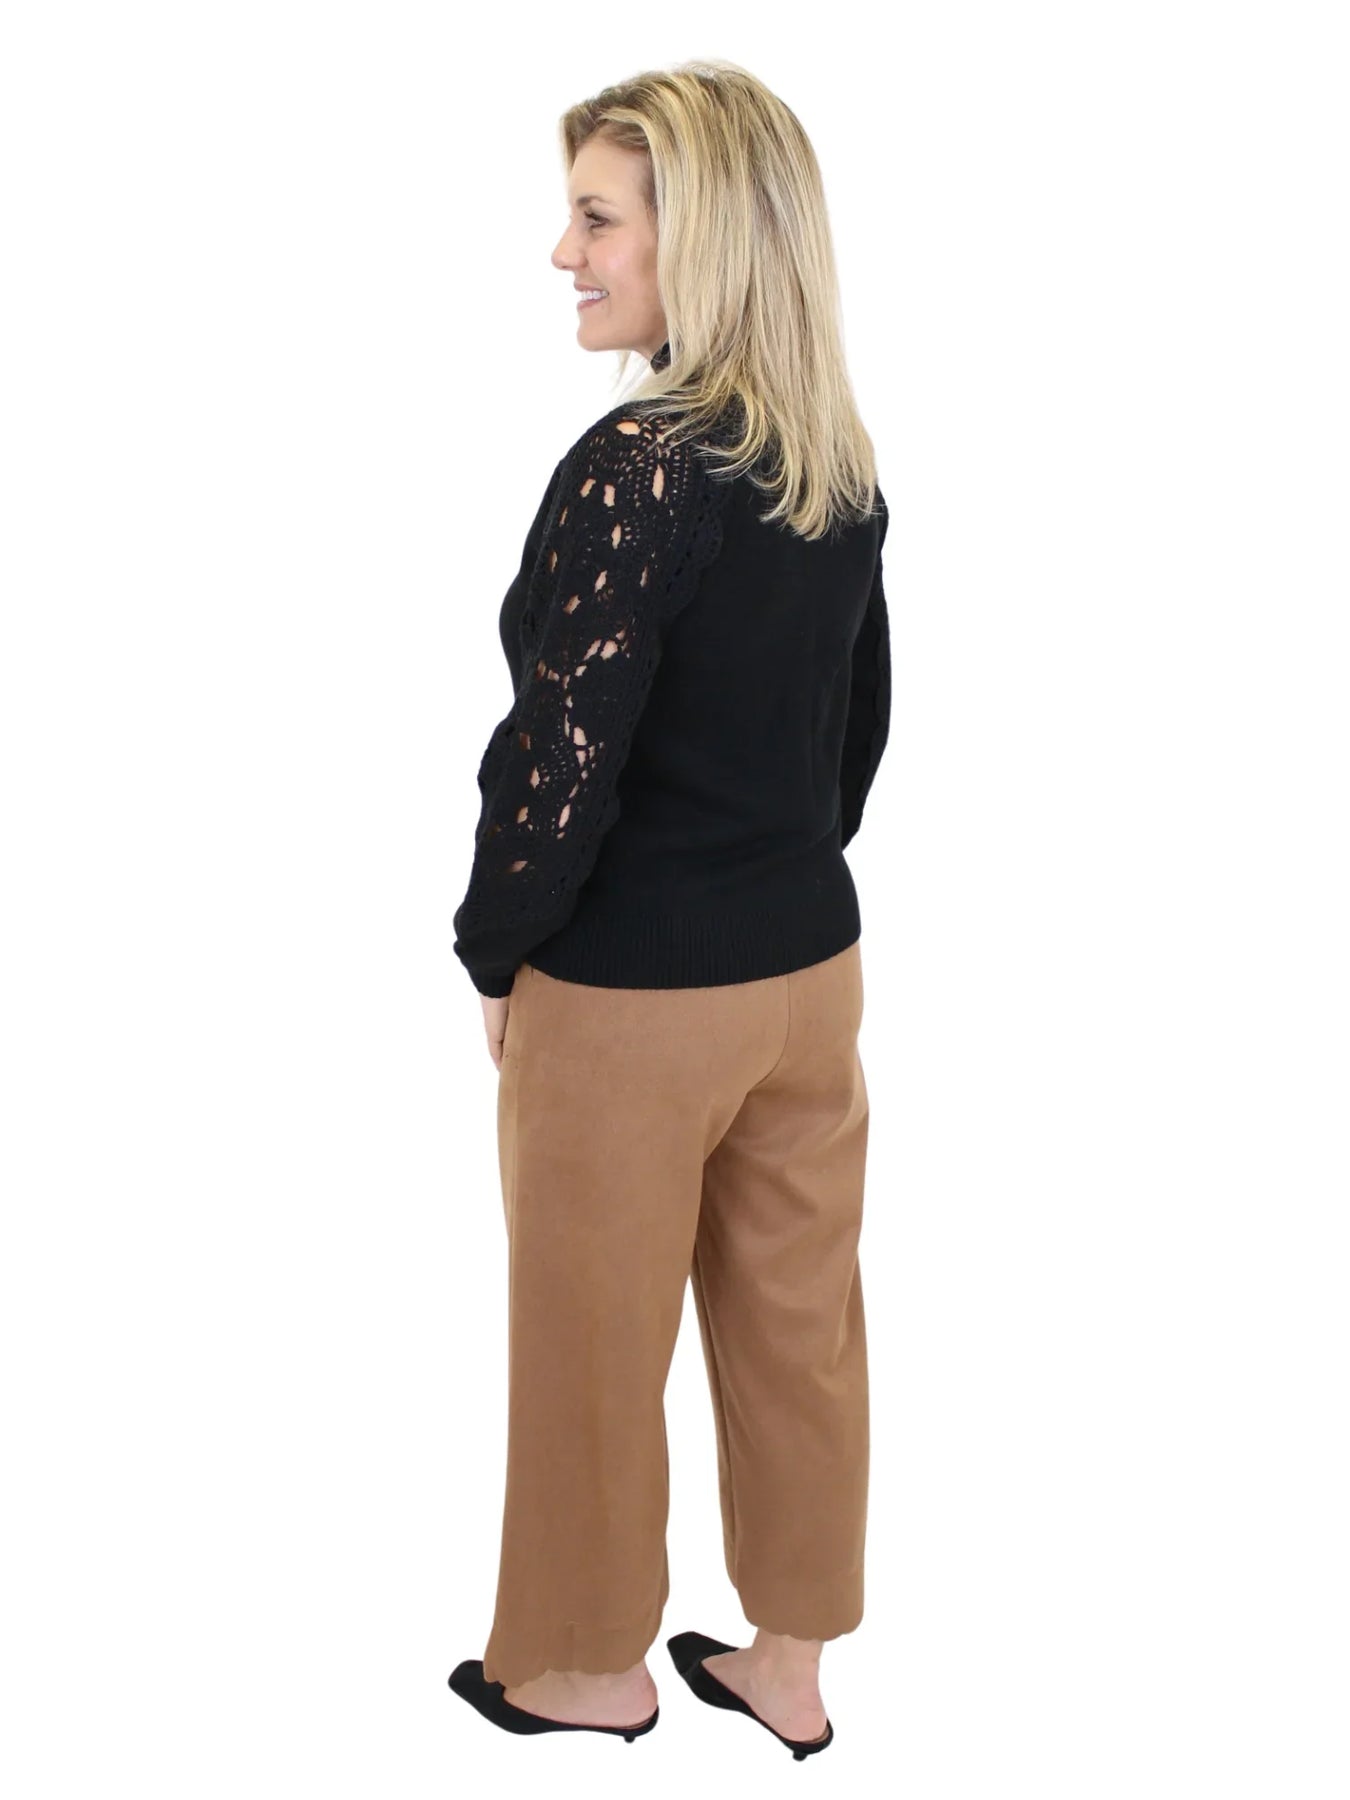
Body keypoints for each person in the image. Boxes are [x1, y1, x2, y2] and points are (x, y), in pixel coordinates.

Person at [447, 59, 891, 1760]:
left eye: (597, 218)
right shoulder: (831, 464)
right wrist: (777, 877)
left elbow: (561, 745)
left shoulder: (639, 464)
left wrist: (501, 948)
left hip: (632, 993)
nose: (565, 253)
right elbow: (854, 730)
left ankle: (579, 1668)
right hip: (807, 971)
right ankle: (789, 1665)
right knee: (800, 1328)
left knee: (590, 1338)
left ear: (694, 233)